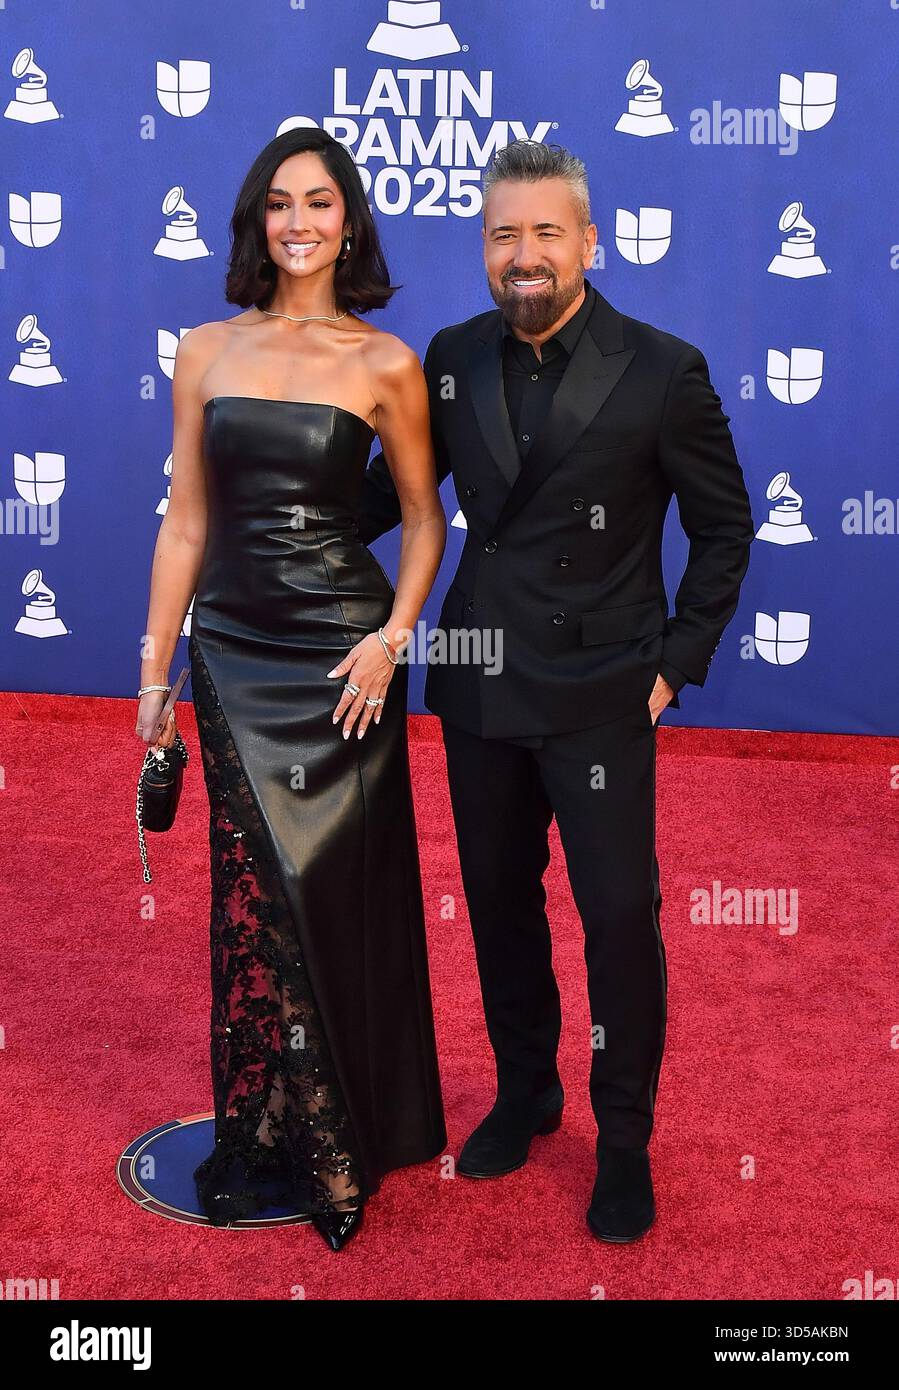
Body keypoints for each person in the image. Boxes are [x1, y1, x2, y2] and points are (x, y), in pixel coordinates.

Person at [357, 139, 755, 1242]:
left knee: (619, 919)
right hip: (480, 682)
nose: (521, 255)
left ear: (588, 239)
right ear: (481, 249)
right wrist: (280, 541)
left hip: (601, 690)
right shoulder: (447, 357)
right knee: (495, 903)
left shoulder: (660, 368)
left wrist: (674, 665)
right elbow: (394, 497)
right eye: (501, 234)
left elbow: (724, 528)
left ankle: (620, 1136)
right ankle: (526, 1090)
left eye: (542, 232)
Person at [136, 127, 448, 1252]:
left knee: (335, 888)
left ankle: (345, 1136)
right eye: (278, 203)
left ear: (348, 220)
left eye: (318, 202)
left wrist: (393, 638)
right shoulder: (206, 349)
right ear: (255, 221)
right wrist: (153, 667)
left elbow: (421, 519)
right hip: (229, 647)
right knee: (254, 892)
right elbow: (186, 519)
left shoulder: (385, 362)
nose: (298, 221)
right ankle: (267, 1125)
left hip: (341, 660)